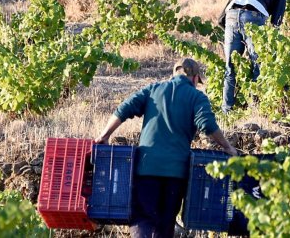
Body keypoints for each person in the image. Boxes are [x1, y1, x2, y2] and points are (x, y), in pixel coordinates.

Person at [95, 58, 238, 238]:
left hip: (146, 169)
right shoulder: (197, 97)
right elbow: (207, 125)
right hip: (176, 174)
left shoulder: (153, 89)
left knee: (143, 221)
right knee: (165, 225)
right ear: (195, 79)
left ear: (173, 74)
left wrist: (105, 134)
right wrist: (228, 147)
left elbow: (123, 109)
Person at [218, 0, 286, 113]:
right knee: (258, 66)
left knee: (230, 67)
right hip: (254, 15)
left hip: (231, 15)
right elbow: (275, 26)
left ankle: (226, 110)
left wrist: (235, 36)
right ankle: (255, 109)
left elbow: (221, 19)